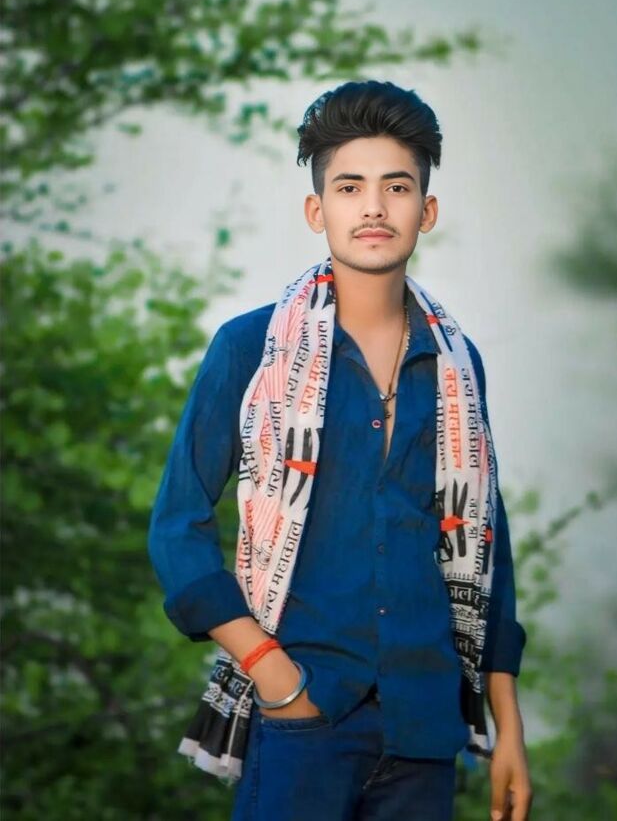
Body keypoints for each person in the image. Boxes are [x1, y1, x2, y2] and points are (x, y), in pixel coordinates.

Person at [148, 80, 532, 821]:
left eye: (397, 187)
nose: (375, 208)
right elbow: (176, 527)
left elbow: (490, 546)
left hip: (426, 729)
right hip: (302, 721)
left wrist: (507, 724)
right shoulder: (251, 348)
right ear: (317, 210)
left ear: (427, 211)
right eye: (350, 187)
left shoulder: (457, 366)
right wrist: (272, 674)